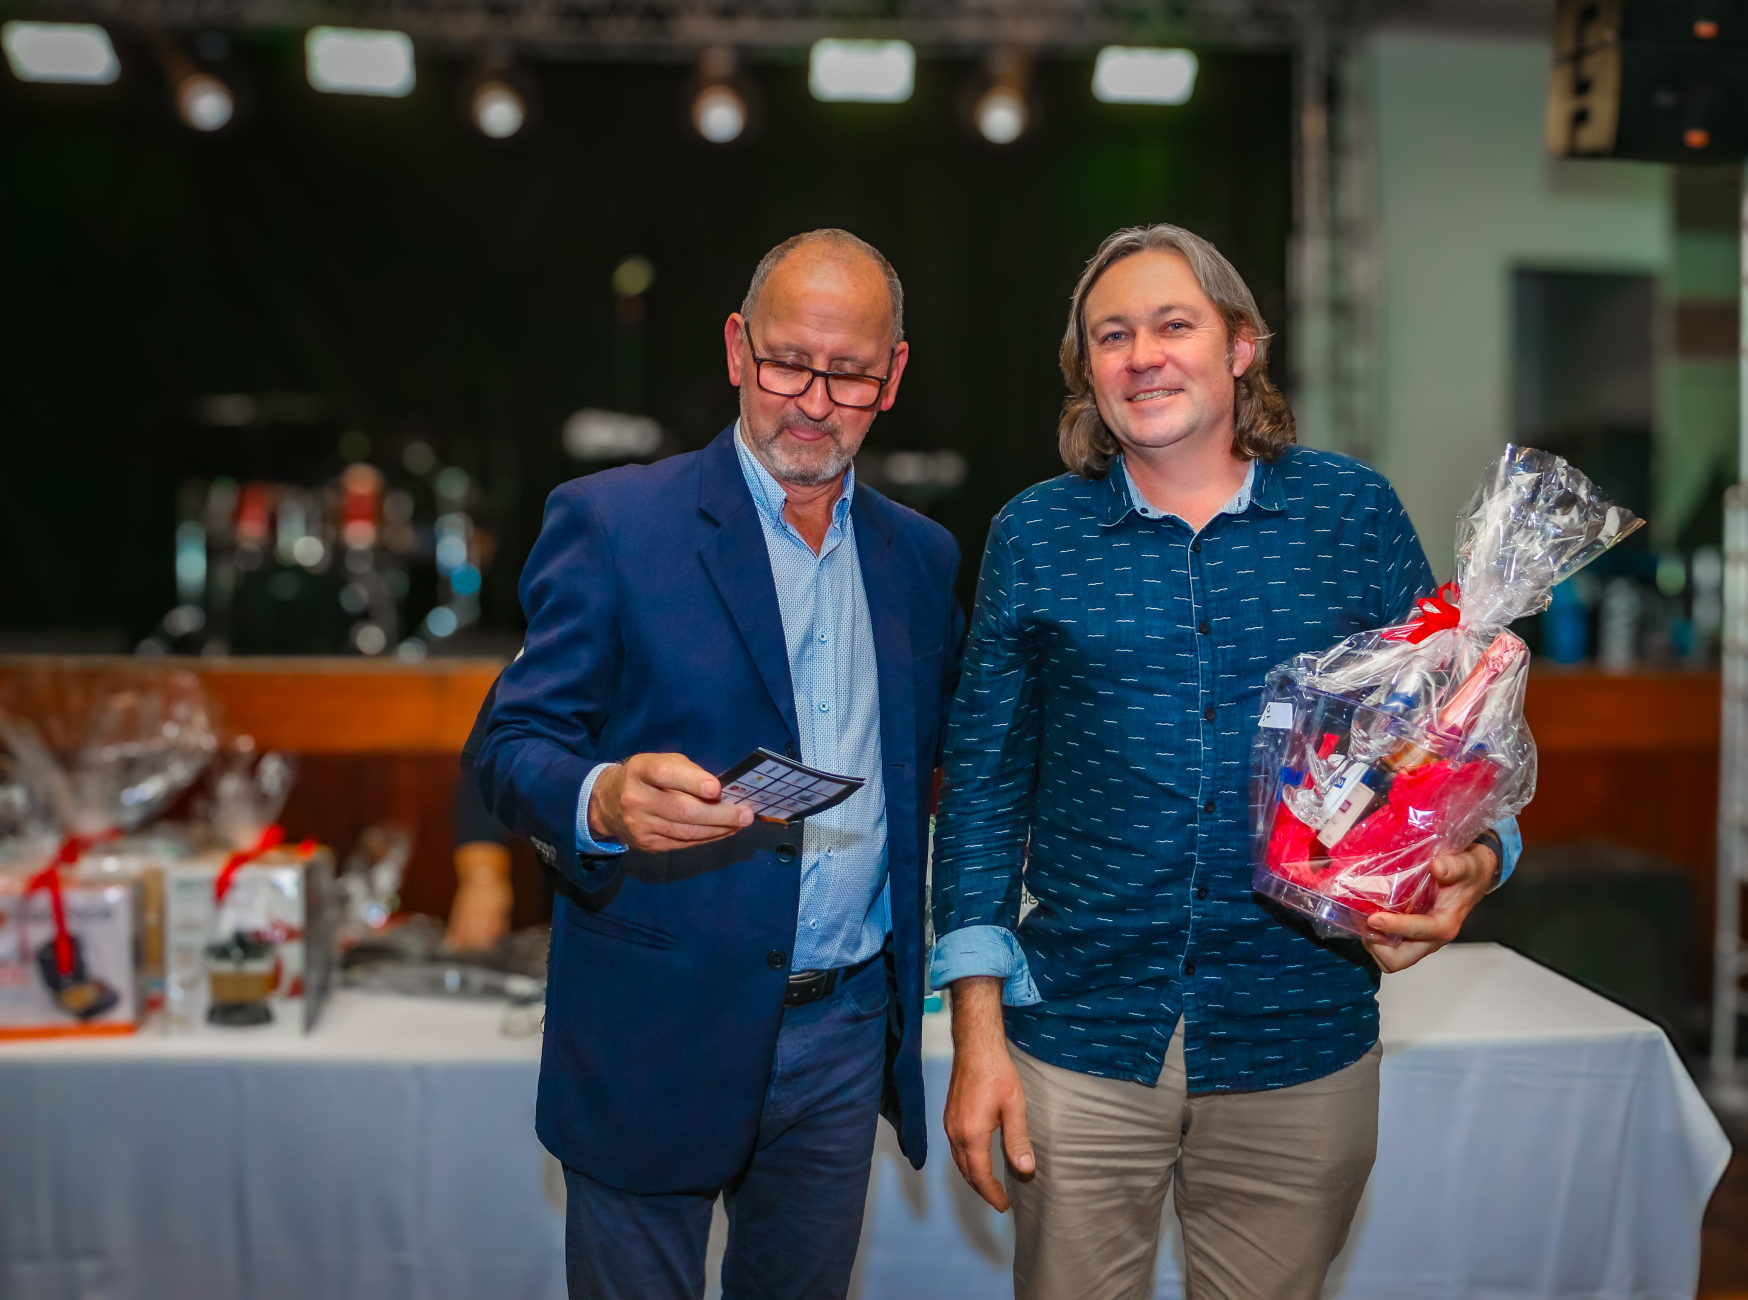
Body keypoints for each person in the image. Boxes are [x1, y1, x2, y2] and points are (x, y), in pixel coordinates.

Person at [930, 223, 1522, 1299]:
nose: (1141, 356)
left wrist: (1476, 857)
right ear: (1086, 370)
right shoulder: (1035, 534)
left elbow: (1451, 738)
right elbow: (979, 788)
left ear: (1240, 345)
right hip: (1080, 1036)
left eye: (1173, 324)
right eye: (1111, 335)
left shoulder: (1350, 515)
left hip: (1299, 1034)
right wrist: (975, 1032)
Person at [475, 228, 962, 1299]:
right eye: (788, 362)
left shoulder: (921, 559)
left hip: (841, 1038)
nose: (814, 402)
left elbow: (936, 766)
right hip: (654, 1024)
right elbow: (507, 747)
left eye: (849, 373)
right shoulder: (614, 522)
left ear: (893, 376)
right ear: (737, 347)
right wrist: (601, 796)